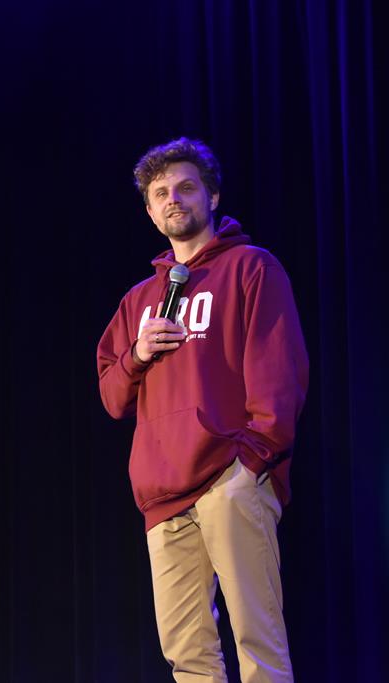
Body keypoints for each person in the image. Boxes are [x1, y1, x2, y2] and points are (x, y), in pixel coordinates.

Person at [96, 138, 308, 682]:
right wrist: (138, 353)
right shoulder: (140, 300)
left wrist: (253, 463)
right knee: (187, 656)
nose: (173, 199)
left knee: (257, 643)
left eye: (186, 187)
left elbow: (279, 371)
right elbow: (113, 397)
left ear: (212, 196)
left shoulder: (250, 269)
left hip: (229, 479)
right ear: (149, 211)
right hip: (162, 496)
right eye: (160, 193)